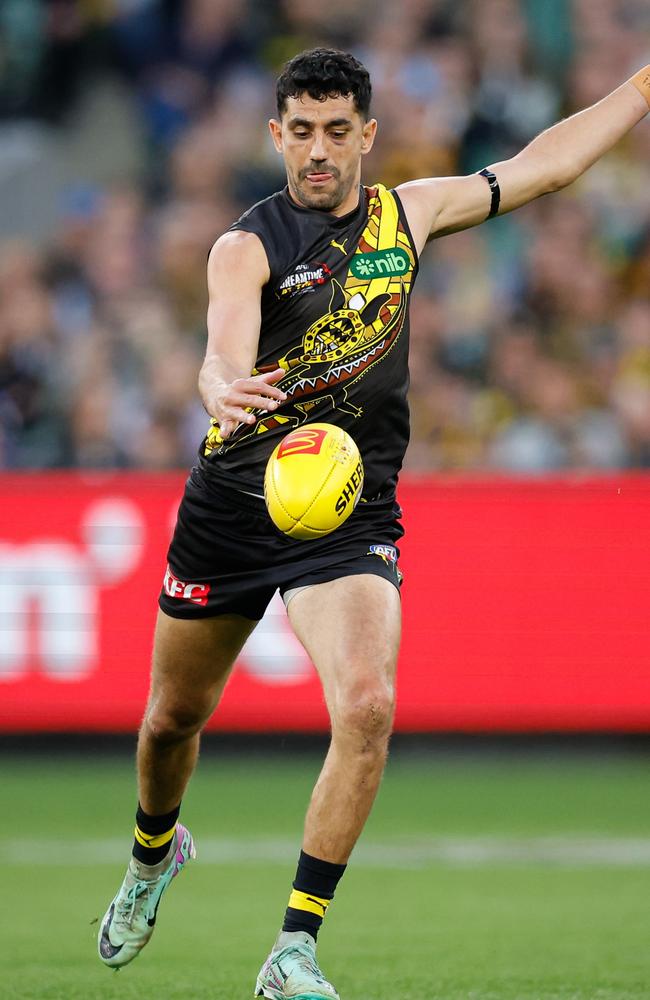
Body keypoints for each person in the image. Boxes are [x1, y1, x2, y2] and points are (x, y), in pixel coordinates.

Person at [97, 49, 650, 999]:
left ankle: (294, 948)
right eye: (300, 132)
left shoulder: (411, 214)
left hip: (348, 513)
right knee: (170, 720)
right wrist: (217, 384)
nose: (318, 151)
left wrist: (640, 88)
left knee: (367, 705)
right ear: (276, 135)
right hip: (234, 506)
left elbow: (548, 165)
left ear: (367, 135)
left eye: (337, 131)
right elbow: (224, 339)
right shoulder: (247, 244)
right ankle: (154, 853)